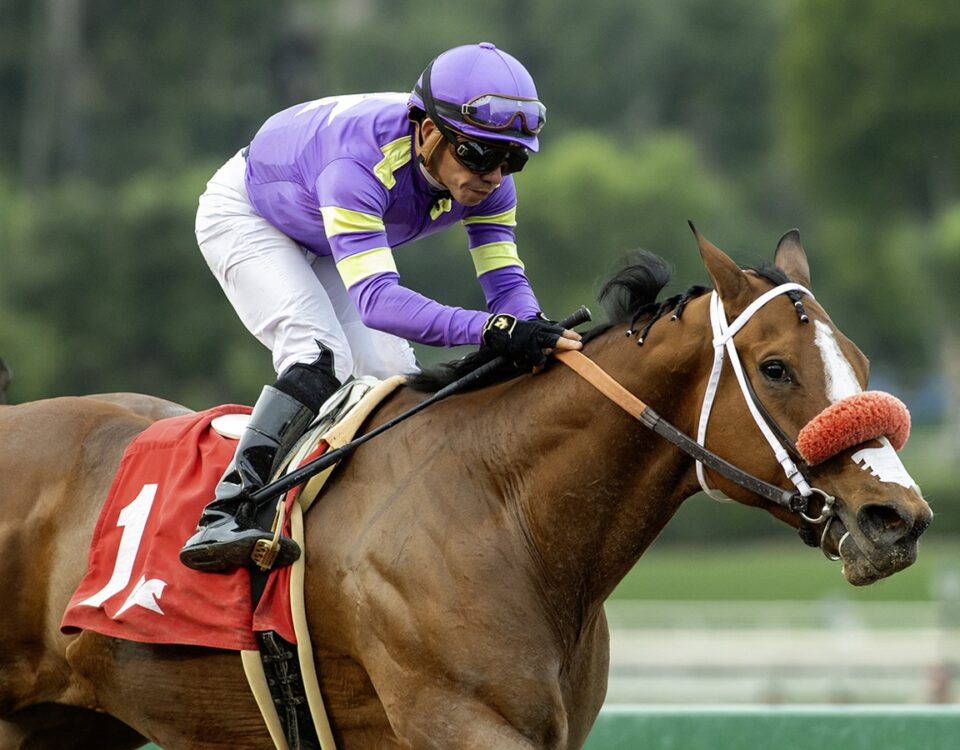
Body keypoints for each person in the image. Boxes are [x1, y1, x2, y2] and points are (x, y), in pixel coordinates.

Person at [179, 42, 583, 573]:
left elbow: (506, 282)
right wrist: (492, 331)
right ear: (426, 128)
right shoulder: (359, 166)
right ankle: (228, 509)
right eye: (479, 155)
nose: (493, 175)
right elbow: (377, 302)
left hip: (319, 228)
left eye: (513, 159)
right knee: (319, 355)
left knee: (391, 376)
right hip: (251, 214)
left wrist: (532, 330)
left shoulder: (492, 185)